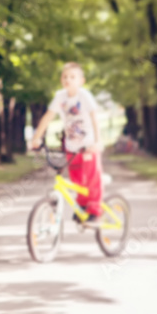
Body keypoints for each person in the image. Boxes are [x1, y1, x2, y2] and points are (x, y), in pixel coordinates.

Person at [30, 62, 104, 223]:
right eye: (65, 76)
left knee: (92, 179)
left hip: (88, 145)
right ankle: (83, 206)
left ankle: (95, 210)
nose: (68, 79)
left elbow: (94, 118)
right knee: (76, 180)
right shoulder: (60, 97)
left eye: (72, 77)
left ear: (81, 80)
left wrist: (97, 142)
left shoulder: (84, 96)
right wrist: (37, 137)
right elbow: (48, 117)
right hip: (71, 146)